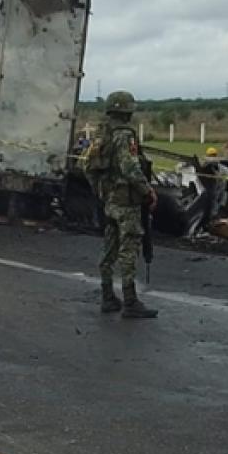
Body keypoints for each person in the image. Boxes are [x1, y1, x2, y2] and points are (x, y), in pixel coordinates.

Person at [83, 90, 158, 319]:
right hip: (127, 202)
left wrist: (101, 192)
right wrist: (148, 191)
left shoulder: (101, 134)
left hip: (111, 201)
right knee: (129, 249)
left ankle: (107, 297)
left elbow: (88, 166)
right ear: (127, 110)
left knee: (109, 249)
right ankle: (130, 301)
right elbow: (130, 168)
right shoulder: (124, 135)